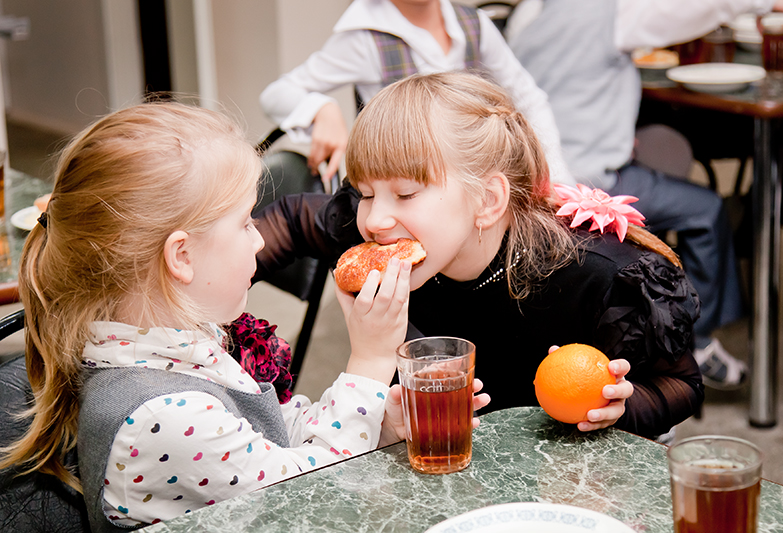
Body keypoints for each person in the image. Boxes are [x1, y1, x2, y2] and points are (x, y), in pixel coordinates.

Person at [0, 102, 490, 531]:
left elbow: (269, 439)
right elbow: (314, 497)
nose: (260, 239)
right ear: (181, 256)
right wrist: (371, 360)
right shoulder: (161, 418)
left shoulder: (169, 343)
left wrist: (377, 420)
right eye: (245, 222)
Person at [254, 71, 704, 441]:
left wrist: (619, 406)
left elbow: (681, 385)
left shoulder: (603, 275)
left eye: (406, 193)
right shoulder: (378, 230)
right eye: (367, 192)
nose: (374, 219)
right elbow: (291, 220)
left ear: (487, 201)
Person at [504, 0, 783, 391]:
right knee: (705, 209)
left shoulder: (527, 15)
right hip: (591, 180)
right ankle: (697, 340)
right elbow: (696, 11)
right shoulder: (611, 14)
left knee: (666, 148)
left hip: (538, 170)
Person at [258, 0, 573, 186]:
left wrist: (555, 177)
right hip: (407, 196)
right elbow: (277, 93)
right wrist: (321, 109)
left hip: (475, 187)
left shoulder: (472, 25)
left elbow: (528, 98)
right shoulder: (364, 39)